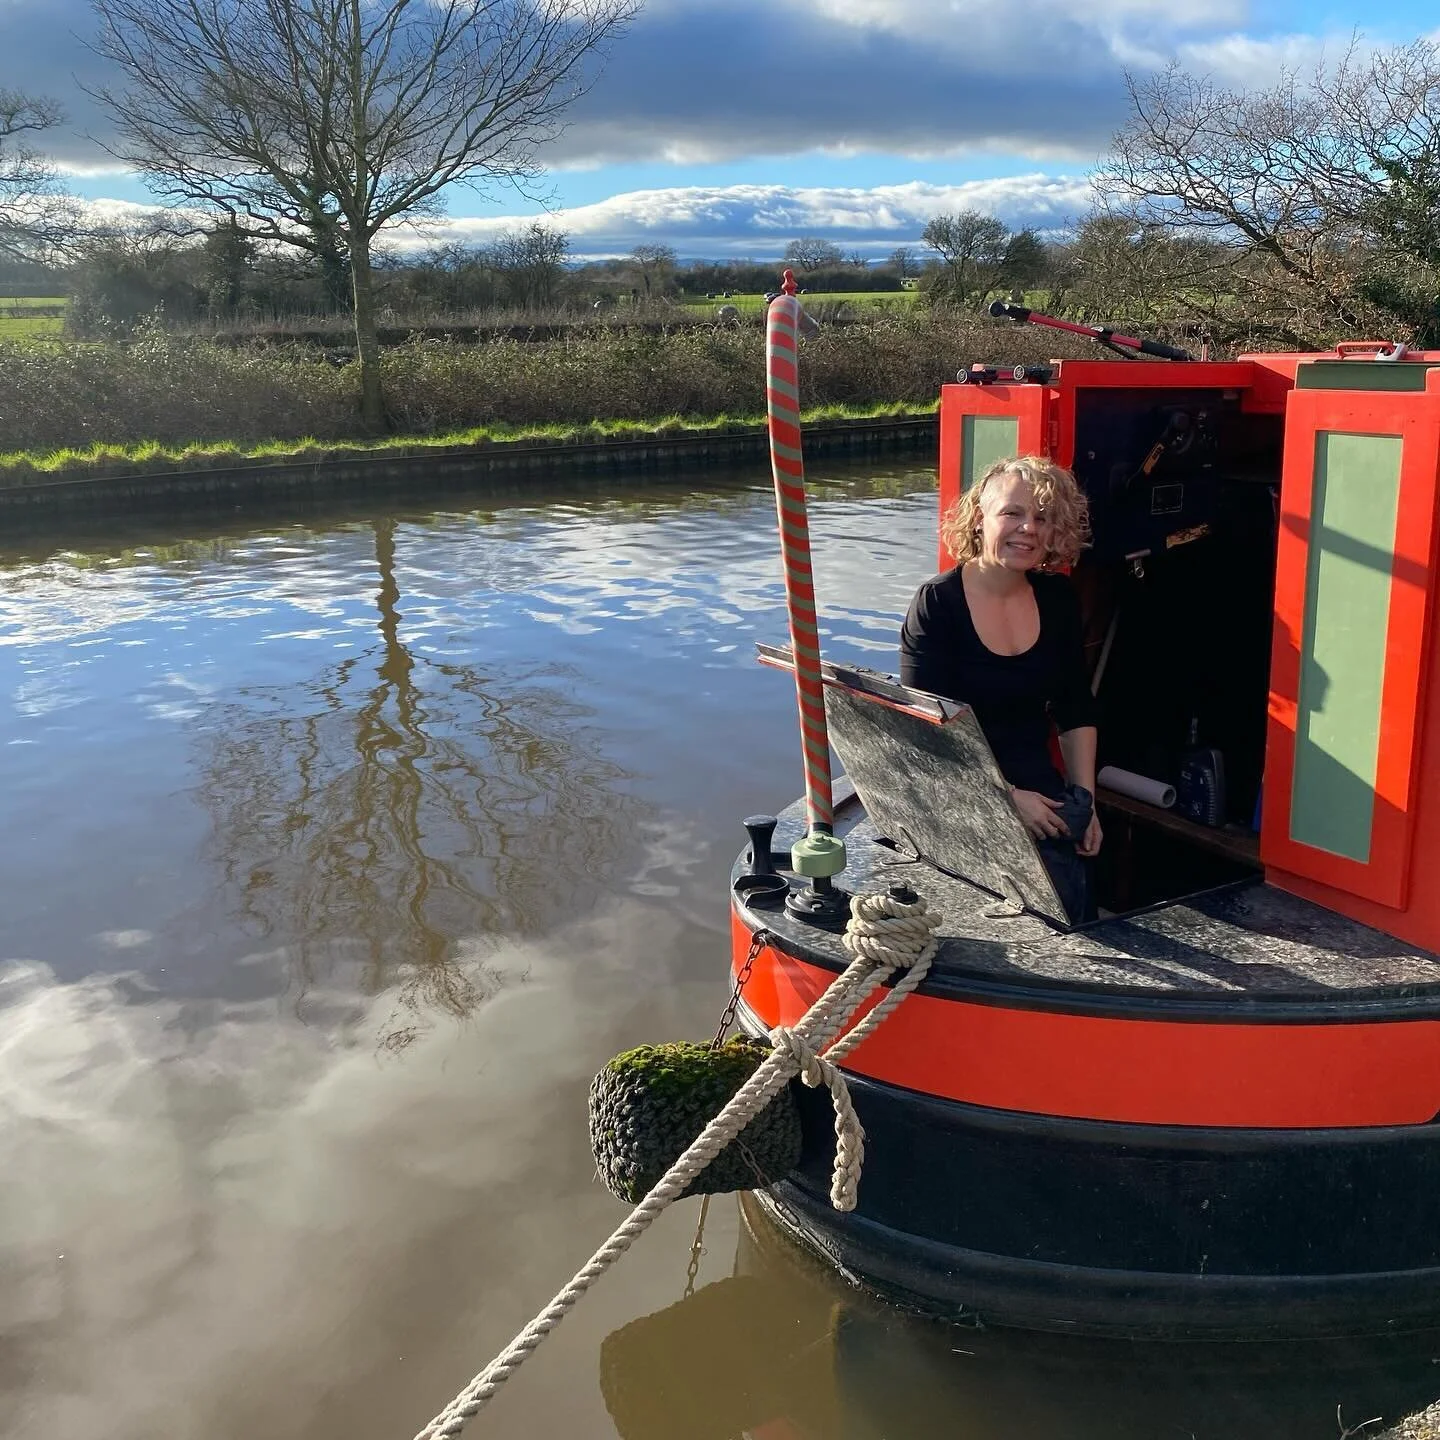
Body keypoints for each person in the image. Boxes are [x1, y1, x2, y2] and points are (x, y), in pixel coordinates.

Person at [899, 455, 1101, 921]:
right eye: (1013, 513)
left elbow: (1075, 710)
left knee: (1072, 898)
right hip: (957, 786)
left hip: (1038, 787)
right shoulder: (937, 604)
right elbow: (926, 733)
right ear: (979, 519)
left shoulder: (1057, 599)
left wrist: (1085, 802)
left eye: (1043, 518)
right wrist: (1005, 797)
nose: (1028, 528)